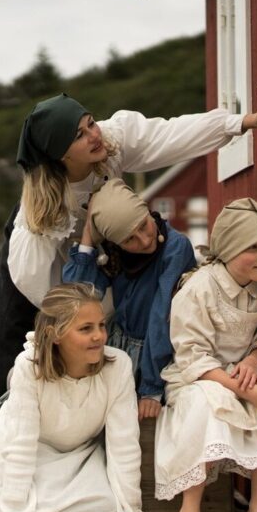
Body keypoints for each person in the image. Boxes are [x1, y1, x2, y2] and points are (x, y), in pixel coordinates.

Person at [0, 76, 257, 457]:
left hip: (106, 249)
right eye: (79, 136)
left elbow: (170, 135)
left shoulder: (109, 142)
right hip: (40, 277)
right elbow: (37, 284)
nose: (93, 135)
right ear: (61, 155)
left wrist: (241, 123)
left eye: (90, 122)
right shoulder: (40, 216)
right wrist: (81, 313)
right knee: (9, 354)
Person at [0, 283, 157, 512]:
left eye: (101, 325)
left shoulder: (118, 366)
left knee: (105, 511)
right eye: (86, 329)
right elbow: (21, 444)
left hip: (78, 456)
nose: (99, 336)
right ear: (56, 334)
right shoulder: (28, 368)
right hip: (20, 452)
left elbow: (124, 445)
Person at [155, 198, 257, 512]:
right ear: (230, 249)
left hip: (241, 370)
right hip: (198, 376)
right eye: (253, 248)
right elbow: (191, 356)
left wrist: (254, 363)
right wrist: (244, 390)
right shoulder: (200, 288)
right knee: (208, 402)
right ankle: (190, 511)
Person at [62, 178, 195, 419]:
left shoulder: (175, 248)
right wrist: (89, 237)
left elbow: (162, 314)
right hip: (114, 348)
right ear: (114, 243)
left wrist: (151, 388)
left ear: (146, 209)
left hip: (157, 354)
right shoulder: (112, 254)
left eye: (144, 226)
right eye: (129, 239)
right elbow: (76, 298)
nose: (144, 241)